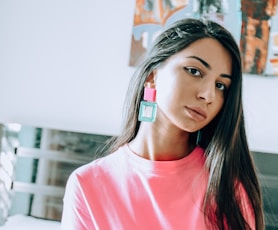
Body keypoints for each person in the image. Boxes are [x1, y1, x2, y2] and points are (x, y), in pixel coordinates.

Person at [61, 18, 264, 229]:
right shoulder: (87, 185)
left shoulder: (226, 189)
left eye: (221, 85)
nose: (208, 95)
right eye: (194, 71)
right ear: (152, 76)